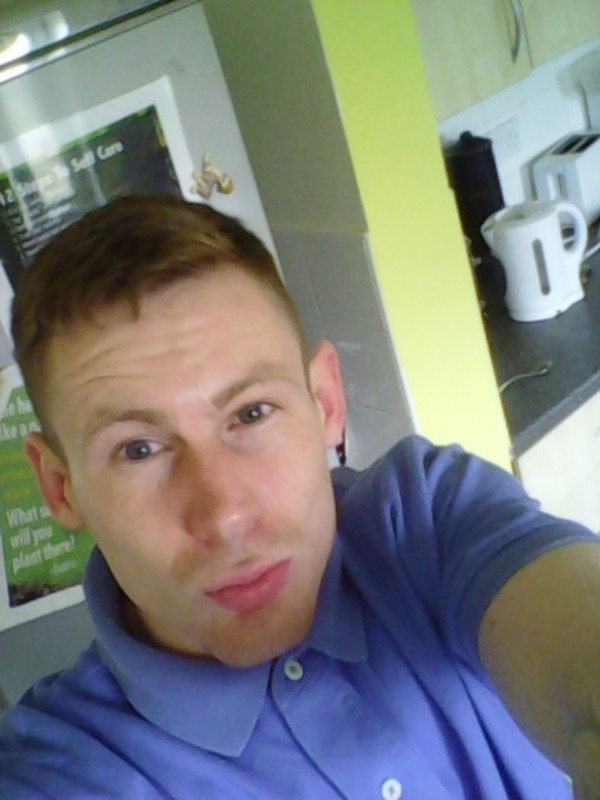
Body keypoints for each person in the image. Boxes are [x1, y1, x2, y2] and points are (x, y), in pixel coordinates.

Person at [0, 194, 599, 800]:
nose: (226, 515)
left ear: (326, 403)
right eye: (138, 450)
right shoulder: (57, 769)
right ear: (60, 487)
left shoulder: (426, 515)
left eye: (251, 413)